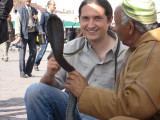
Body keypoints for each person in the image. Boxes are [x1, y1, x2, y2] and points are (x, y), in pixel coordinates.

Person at [24, 0, 127, 119]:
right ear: (79, 20)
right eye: (85, 18)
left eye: (97, 18)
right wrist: (50, 74)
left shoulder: (126, 54)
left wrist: (85, 92)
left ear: (109, 20)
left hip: (104, 112)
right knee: (35, 91)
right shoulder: (70, 48)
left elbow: (130, 102)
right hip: (72, 109)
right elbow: (50, 86)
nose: (91, 25)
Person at [65, 0, 160, 120]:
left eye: (117, 24)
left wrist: (84, 92)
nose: (115, 28)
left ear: (130, 27)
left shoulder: (153, 52)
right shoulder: (140, 48)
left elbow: (131, 107)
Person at [15, 0, 39, 78]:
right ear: (24, 1)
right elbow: (17, 23)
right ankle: (22, 72)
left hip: (32, 34)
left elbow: (37, 23)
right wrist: (18, 35)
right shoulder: (20, 10)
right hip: (23, 35)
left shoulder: (34, 10)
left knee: (34, 52)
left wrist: (36, 18)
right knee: (22, 54)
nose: (28, 0)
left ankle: (28, 71)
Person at [34, 0, 56, 71]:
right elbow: (41, 25)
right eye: (53, 5)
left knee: (54, 51)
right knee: (42, 50)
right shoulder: (44, 13)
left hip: (53, 36)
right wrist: (43, 34)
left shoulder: (55, 15)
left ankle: (53, 66)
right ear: (49, 5)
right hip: (46, 35)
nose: (55, 6)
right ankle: (36, 64)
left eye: (55, 5)